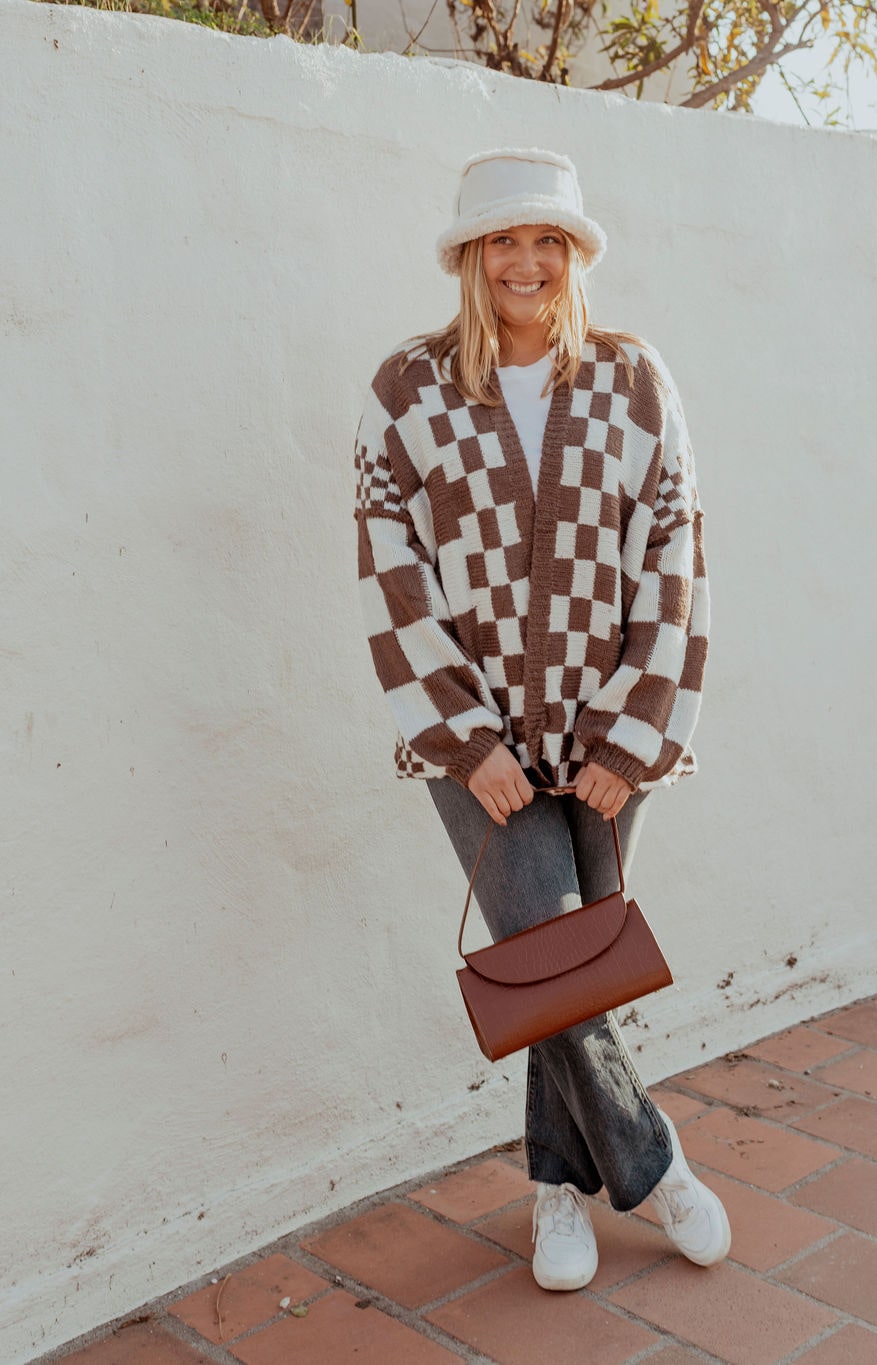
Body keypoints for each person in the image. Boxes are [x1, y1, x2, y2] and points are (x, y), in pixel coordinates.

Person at [354, 147, 730, 1291]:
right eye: (504, 241)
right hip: (477, 746)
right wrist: (469, 742)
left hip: (608, 731)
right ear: (470, 257)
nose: (527, 261)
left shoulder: (631, 377)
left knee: (578, 970)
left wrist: (632, 736)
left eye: (548, 241)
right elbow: (389, 570)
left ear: (574, 257)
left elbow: (675, 552)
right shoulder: (406, 389)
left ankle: (555, 1192)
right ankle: (654, 1167)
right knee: (549, 964)